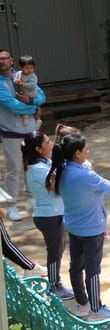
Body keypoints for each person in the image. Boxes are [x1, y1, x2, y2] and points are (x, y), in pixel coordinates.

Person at [47, 132, 110, 320]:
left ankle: (82, 302)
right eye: (86, 149)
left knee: (76, 266)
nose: (88, 151)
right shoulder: (86, 175)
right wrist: (91, 172)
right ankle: (96, 308)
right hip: (92, 229)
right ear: (77, 153)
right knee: (93, 271)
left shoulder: (62, 170)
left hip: (73, 227)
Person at [22, 131, 73, 299]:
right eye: (47, 142)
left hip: (53, 213)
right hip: (49, 216)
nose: (51, 143)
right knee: (54, 252)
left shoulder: (44, 163)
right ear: (38, 149)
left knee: (58, 250)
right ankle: (54, 285)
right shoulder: (37, 170)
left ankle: (55, 283)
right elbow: (57, 186)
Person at [0, 47, 45, 221]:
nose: (2, 61)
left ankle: (32, 199)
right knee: (14, 169)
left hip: (30, 130)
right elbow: (12, 105)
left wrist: (33, 100)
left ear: (11, 60)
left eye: (5, 58)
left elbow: (41, 95)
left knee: (32, 165)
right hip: (11, 132)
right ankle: (11, 205)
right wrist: (33, 108)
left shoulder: (24, 75)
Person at [15, 55, 41, 125]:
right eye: (27, 68)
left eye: (31, 68)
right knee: (23, 106)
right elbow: (15, 79)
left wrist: (23, 84)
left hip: (32, 96)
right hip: (22, 94)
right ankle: (25, 116)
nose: (30, 70)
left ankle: (38, 120)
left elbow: (32, 86)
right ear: (21, 67)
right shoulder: (18, 73)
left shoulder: (33, 76)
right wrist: (16, 81)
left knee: (36, 108)